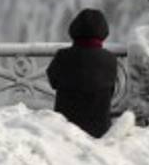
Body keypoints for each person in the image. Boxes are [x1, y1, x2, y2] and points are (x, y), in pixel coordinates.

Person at [46, 8, 119, 138]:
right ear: (103, 32)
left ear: (74, 30)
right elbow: (111, 90)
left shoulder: (63, 56)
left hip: (66, 128)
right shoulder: (110, 59)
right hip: (99, 130)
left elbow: (53, 81)